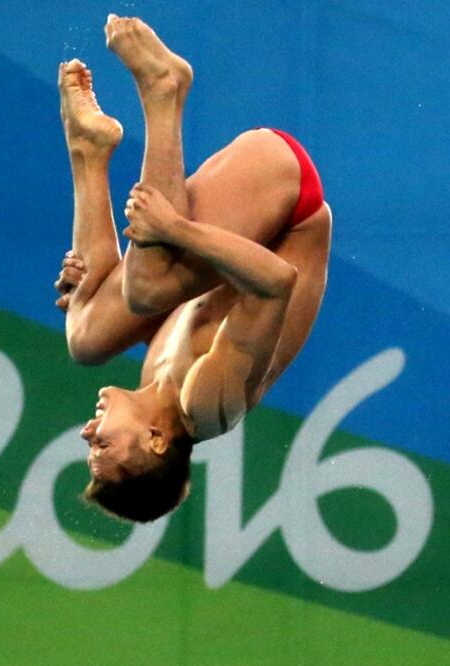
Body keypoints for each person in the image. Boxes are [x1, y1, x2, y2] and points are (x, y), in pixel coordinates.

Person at [54, 15, 331, 522]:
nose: (86, 434)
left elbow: (190, 309)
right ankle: (164, 91)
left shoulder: (156, 380)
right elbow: (274, 284)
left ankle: (88, 151)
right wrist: (172, 230)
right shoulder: (209, 405)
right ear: (156, 441)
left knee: (86, 337)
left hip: (239, 224)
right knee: (148, 283)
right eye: (100, 452)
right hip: (288, 201)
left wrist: (91, 287)